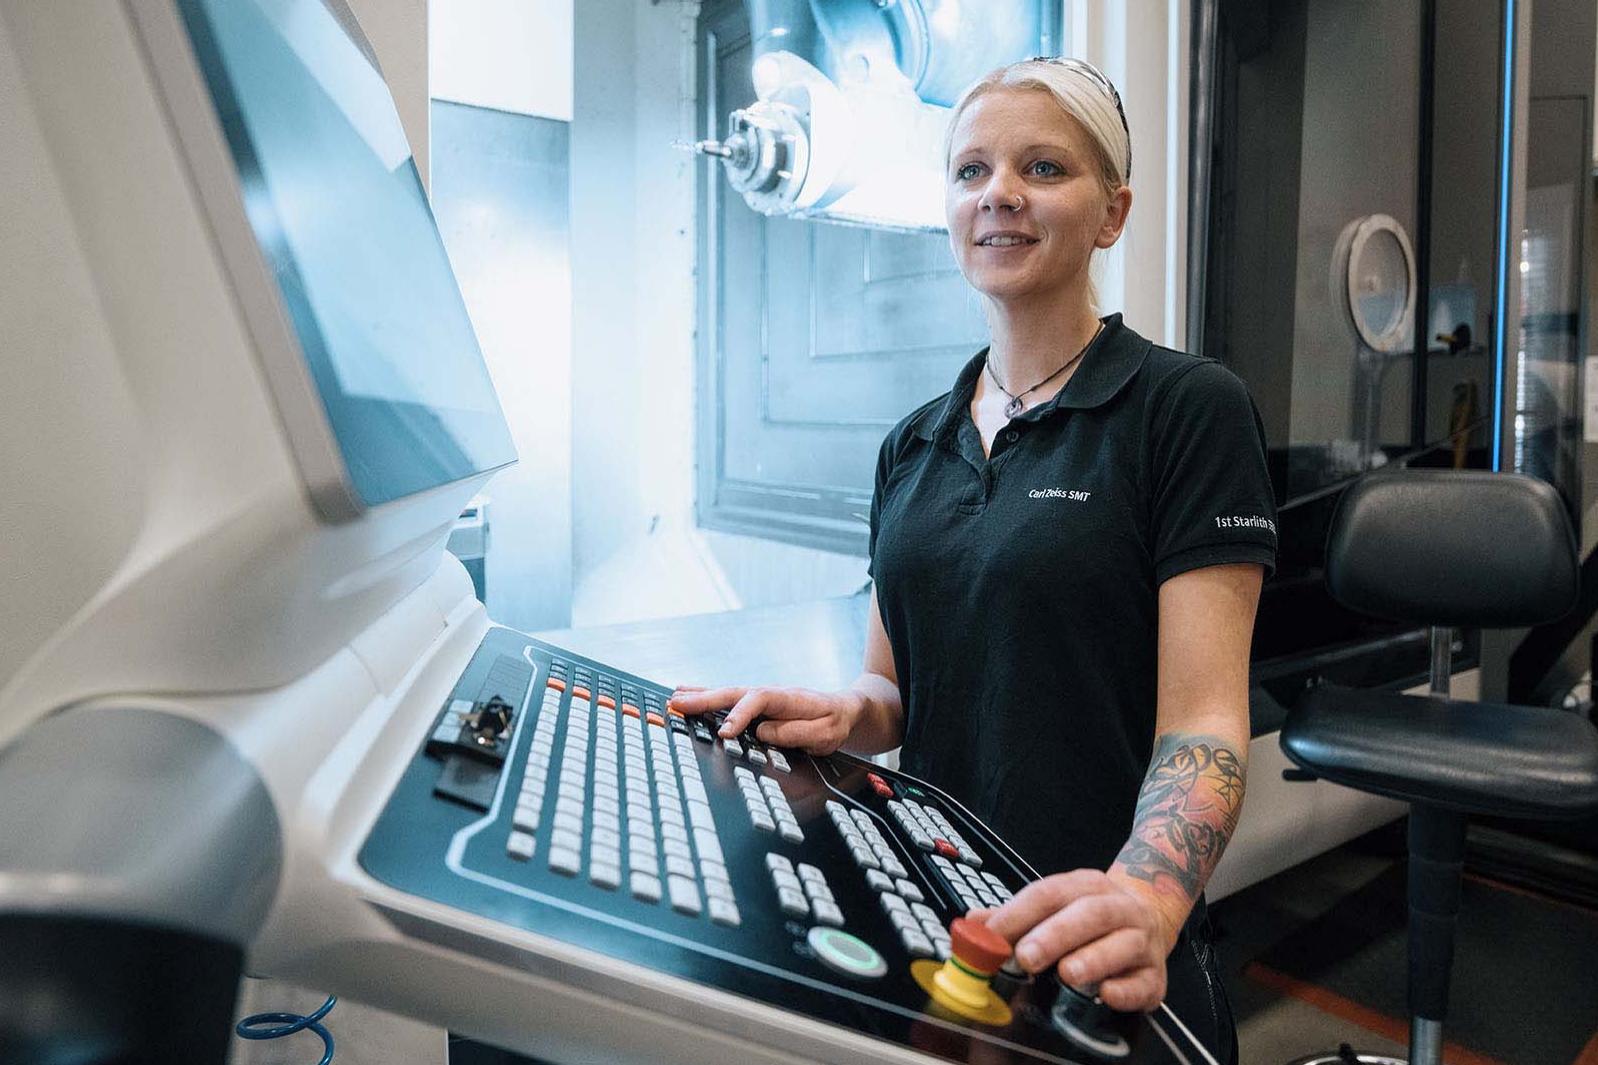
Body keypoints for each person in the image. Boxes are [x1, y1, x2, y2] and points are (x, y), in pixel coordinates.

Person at [669, 56, 1274, 1063]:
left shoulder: (1184, 409)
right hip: (943, 916)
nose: (997, 193)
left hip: (1097, 939)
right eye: (970, 172)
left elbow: (1205, 721)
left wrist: (1146, 895)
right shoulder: (912, 442)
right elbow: (891, 686)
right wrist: (843, 716)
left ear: (1111, 214)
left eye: (1042, 168)